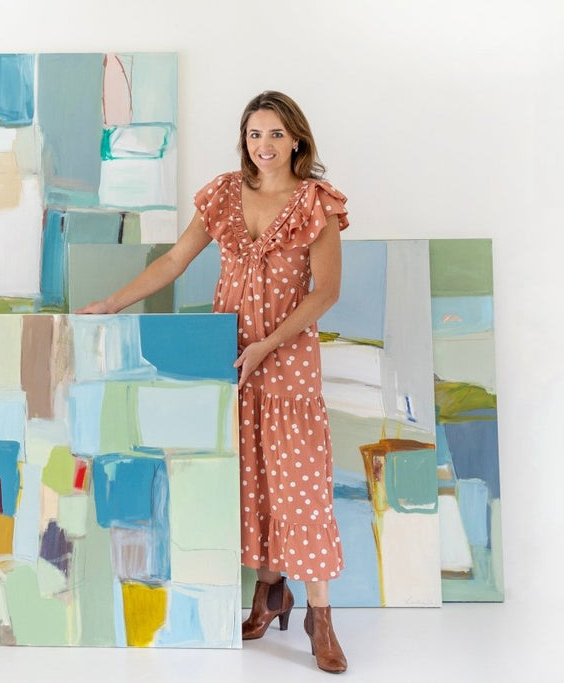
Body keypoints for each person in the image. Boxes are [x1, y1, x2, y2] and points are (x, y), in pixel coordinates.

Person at [78, 91, 348, 673]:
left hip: (286, 364)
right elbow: (174, 261)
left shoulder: (315, 202)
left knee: (299, 488)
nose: (264, 145)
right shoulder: (225, 194)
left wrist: (267, 345)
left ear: (297, 140)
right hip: (227, 361)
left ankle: (320, 617)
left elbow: (326, 291)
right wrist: (113, 304)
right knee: (251, 483)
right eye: (254, 134)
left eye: (275, 134)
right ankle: (268, 593)